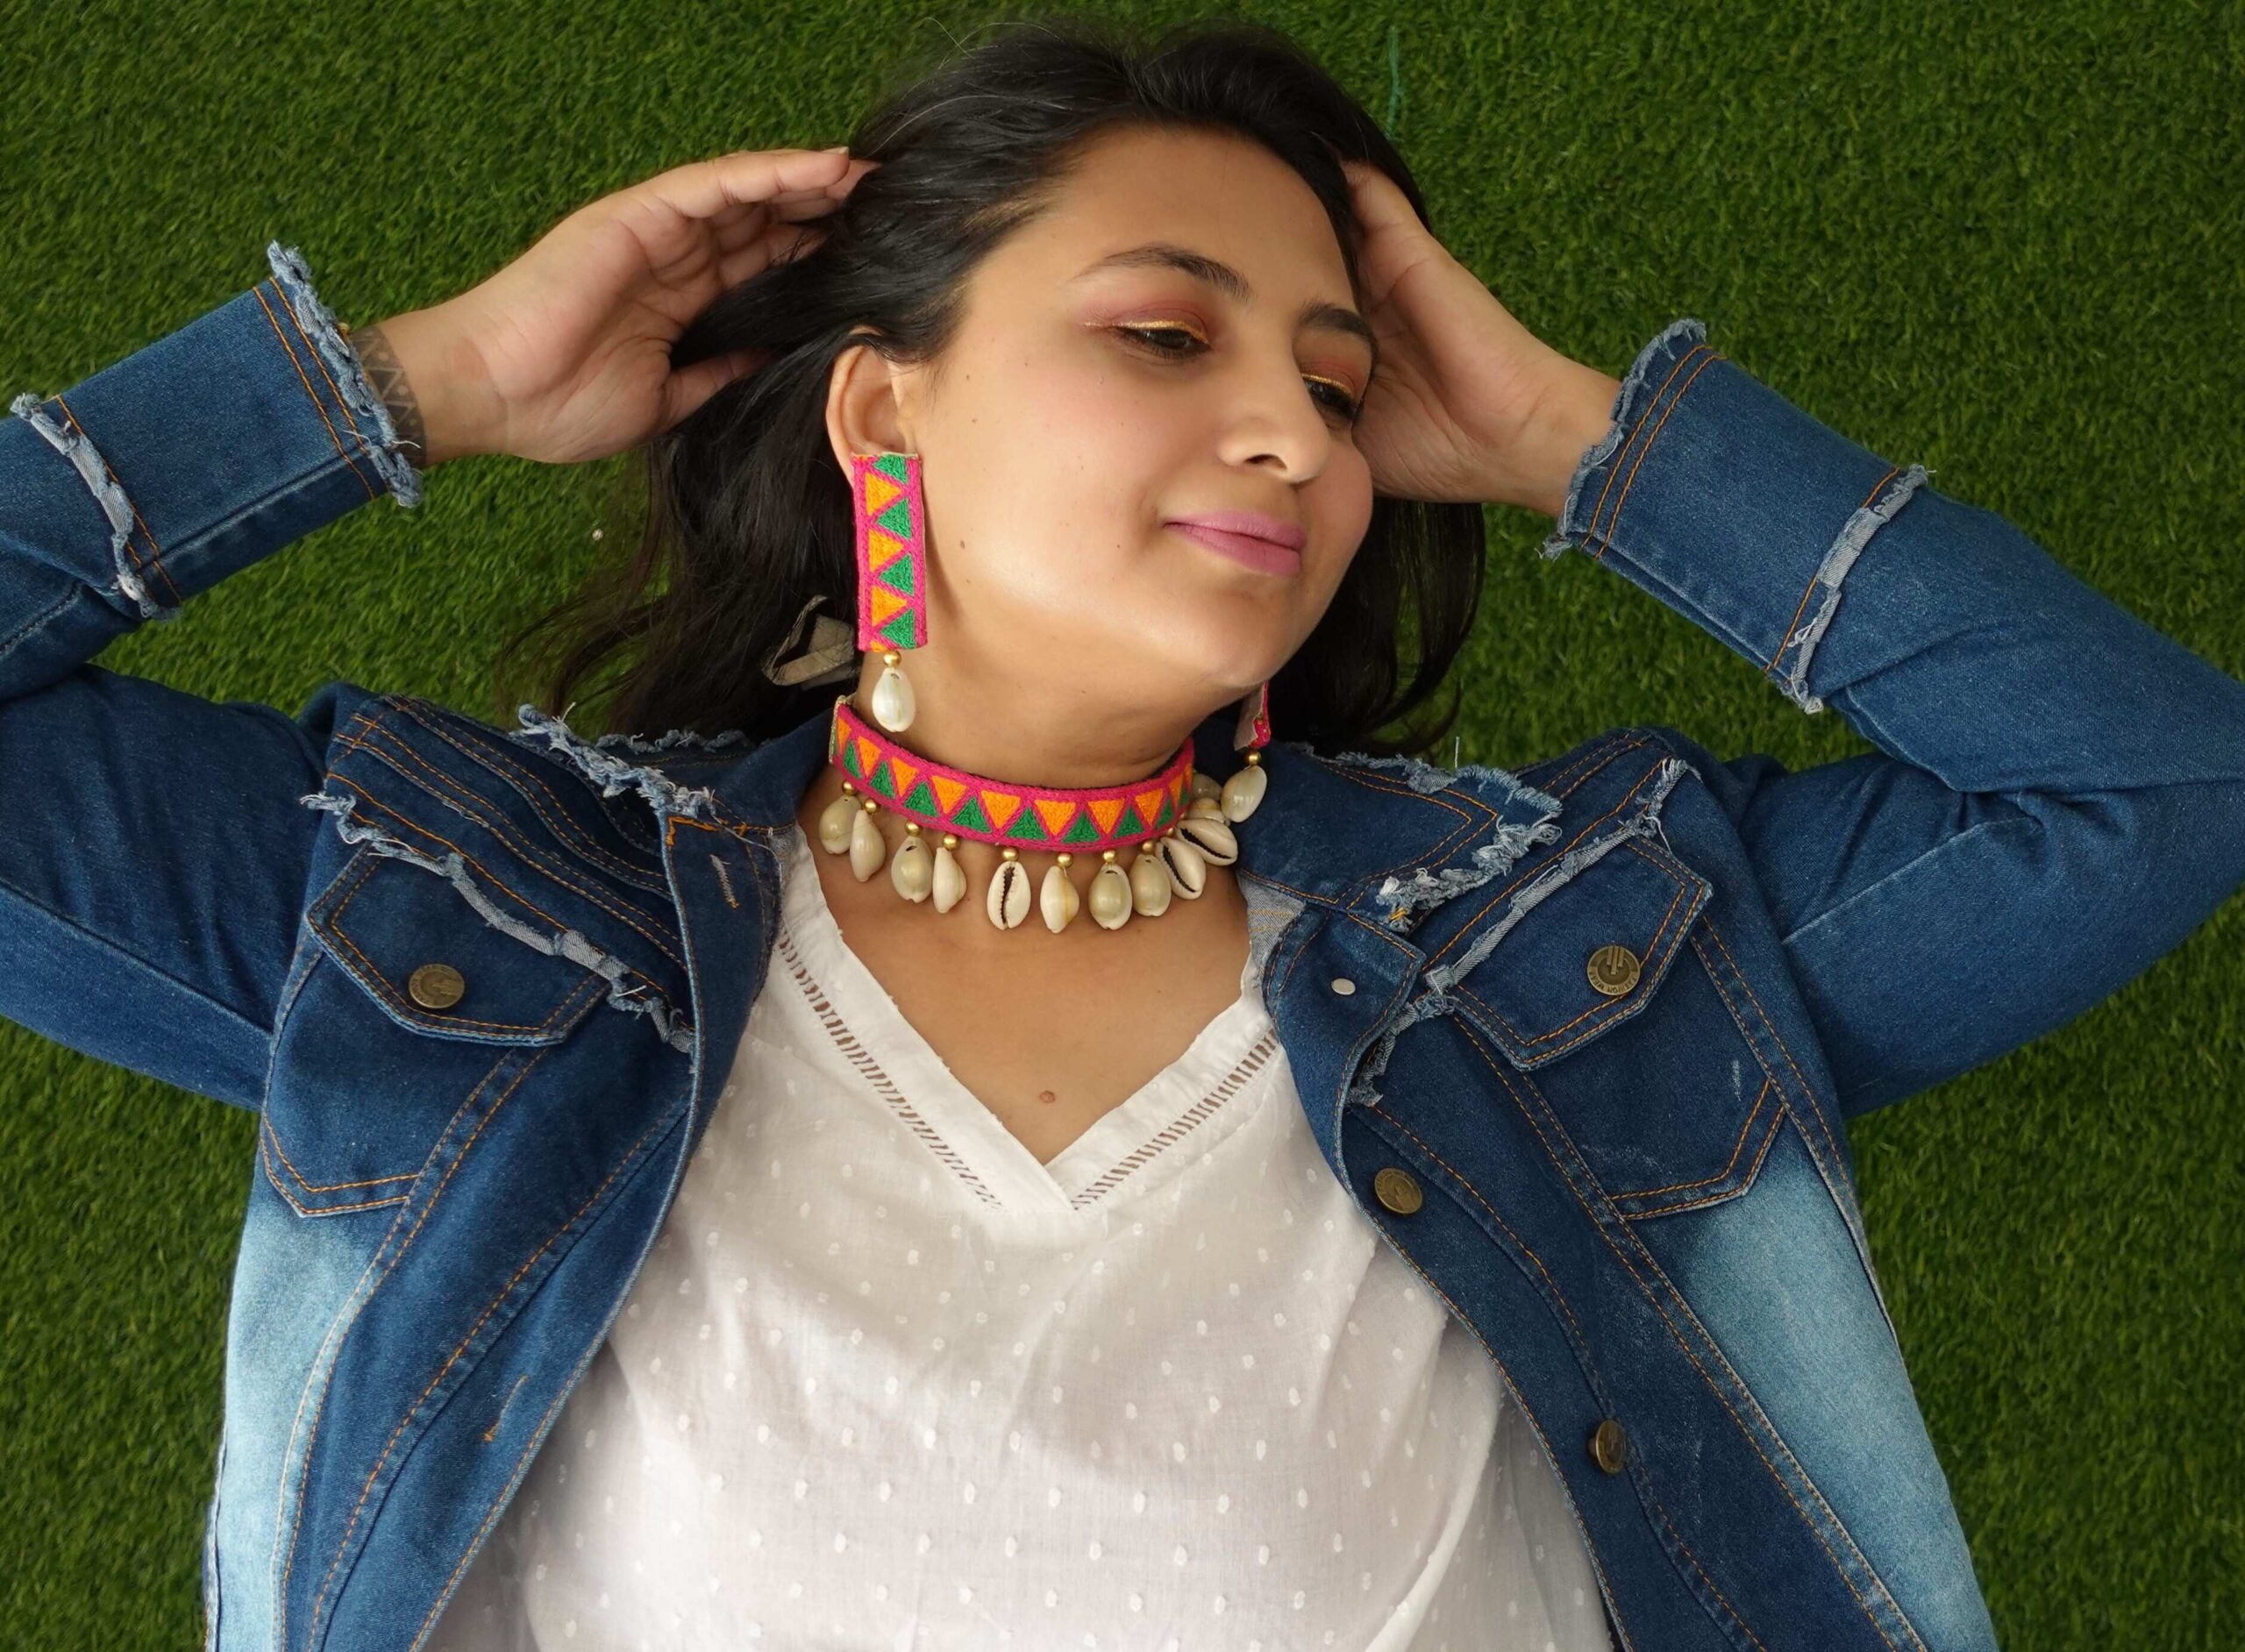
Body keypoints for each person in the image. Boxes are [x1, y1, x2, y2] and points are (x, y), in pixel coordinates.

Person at [5, 16, 2241, 1652]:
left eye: (1342, 386)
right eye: (1162, 333)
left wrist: (1579, 439)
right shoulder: (472, 928)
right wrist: (415, 382)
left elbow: (2142, 786)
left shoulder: (1566, 960)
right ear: (882, 408)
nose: (1285, 427)